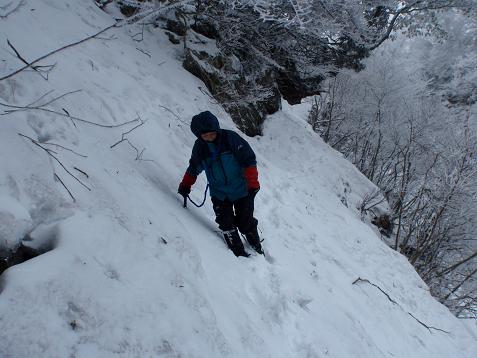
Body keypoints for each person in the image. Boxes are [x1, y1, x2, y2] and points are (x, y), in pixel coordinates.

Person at [178, 111, 262, 257]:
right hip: (219, 193)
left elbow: (248, 160)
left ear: (217, 130)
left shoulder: (231, 139)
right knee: (226, 223)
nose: (209, 138)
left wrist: (253, 184)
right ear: (199, 136)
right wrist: (186, 185)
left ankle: (256, 245)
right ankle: (238, 253)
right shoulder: (200, 147)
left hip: (241, 189)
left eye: (211, 134)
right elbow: (194, 167)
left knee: (245, 222)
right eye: (204, 136)